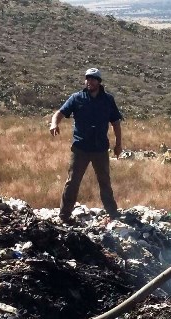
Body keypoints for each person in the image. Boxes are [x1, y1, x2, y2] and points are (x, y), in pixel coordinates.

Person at [50, 68, 123, 223]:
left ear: (99, 82)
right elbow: (60, 113)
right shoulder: (77, 98)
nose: (89, 81)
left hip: (100, 149)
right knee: (72, 182)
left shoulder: (108, 100)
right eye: (87, 78)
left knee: (105, 182)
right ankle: (64, 216)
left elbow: (115, 122)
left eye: (93, 79)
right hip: (80, 148)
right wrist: (54, 124)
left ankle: (113, 214)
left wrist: (118, 144)